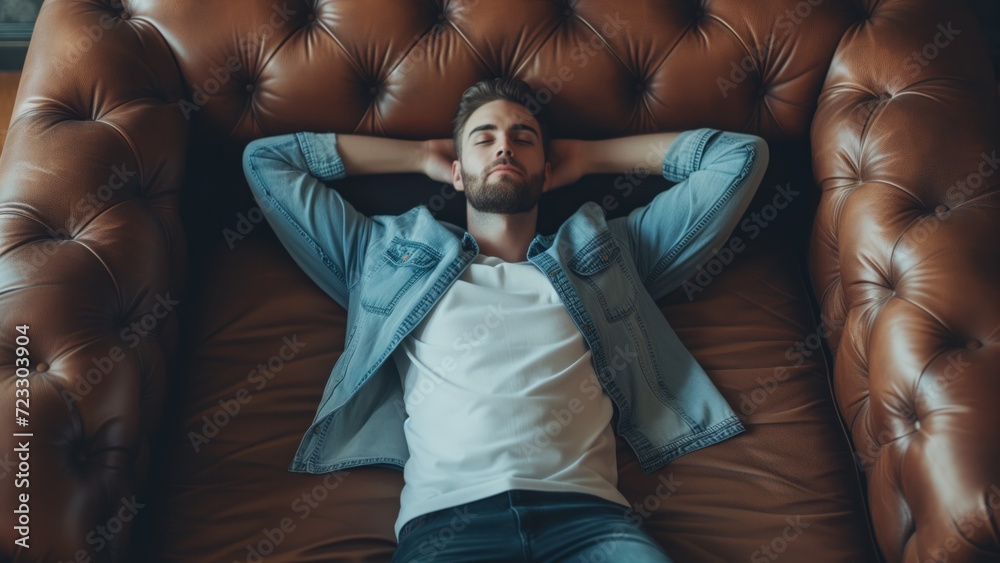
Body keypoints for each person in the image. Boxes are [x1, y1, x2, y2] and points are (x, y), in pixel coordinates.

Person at [242, 77, 770, 562]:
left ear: (546, 168)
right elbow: (266, 161)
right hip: (447, 527)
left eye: (523, 137)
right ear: (457, 168)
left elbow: (740, 156)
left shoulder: (607, 252)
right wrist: (422, 155)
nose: (503, 146)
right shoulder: (384, 256)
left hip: (591, 524)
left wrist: (589, 157)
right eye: (483, 137)